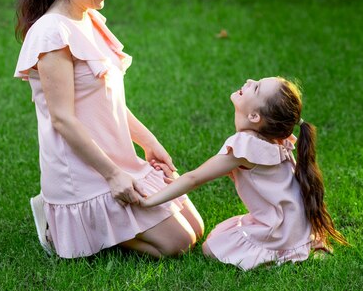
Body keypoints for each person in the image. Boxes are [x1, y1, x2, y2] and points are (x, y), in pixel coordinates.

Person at [14, 0, 204, 259]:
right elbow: (62, 119)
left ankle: (105, 225)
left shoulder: (90, 19)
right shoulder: (51, 33)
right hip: (85, 169)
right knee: (176, 244)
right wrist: (113, 175)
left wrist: (149, 143)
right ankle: (65, 228)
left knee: (195, 229)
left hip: (117, 156)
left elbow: (110, 102)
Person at [140, 77, 348, 270]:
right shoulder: (272, 137)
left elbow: (195, 178)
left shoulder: (246, 146)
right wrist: (175, 180)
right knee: (221, 234)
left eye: (256, 87)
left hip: (281, 229)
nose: (249, 81)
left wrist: (149, 202)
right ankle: (304, 243)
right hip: (293, 220)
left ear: (254, 116)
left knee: (211, 248)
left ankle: (286, 250)